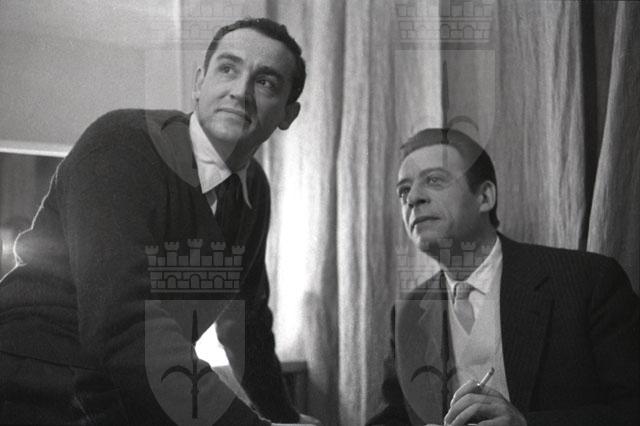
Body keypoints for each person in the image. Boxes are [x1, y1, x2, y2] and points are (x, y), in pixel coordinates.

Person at [0, 18, 320, 426]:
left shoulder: (254, 191)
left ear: (288, 113)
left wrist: (285, 418)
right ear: (199, 82)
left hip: (126, 383)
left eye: (265, 82)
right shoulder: (123, 142)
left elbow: (247, 324)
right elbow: (123, 323)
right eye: (227, 68)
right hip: (35, 373)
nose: (240, 91)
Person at [367, 128, 639, 425]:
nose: (413, 198)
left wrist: (525, 424)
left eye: (434, 180)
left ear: (485, 196)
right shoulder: (407, 314)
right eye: (403, 190)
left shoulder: (589, 281)